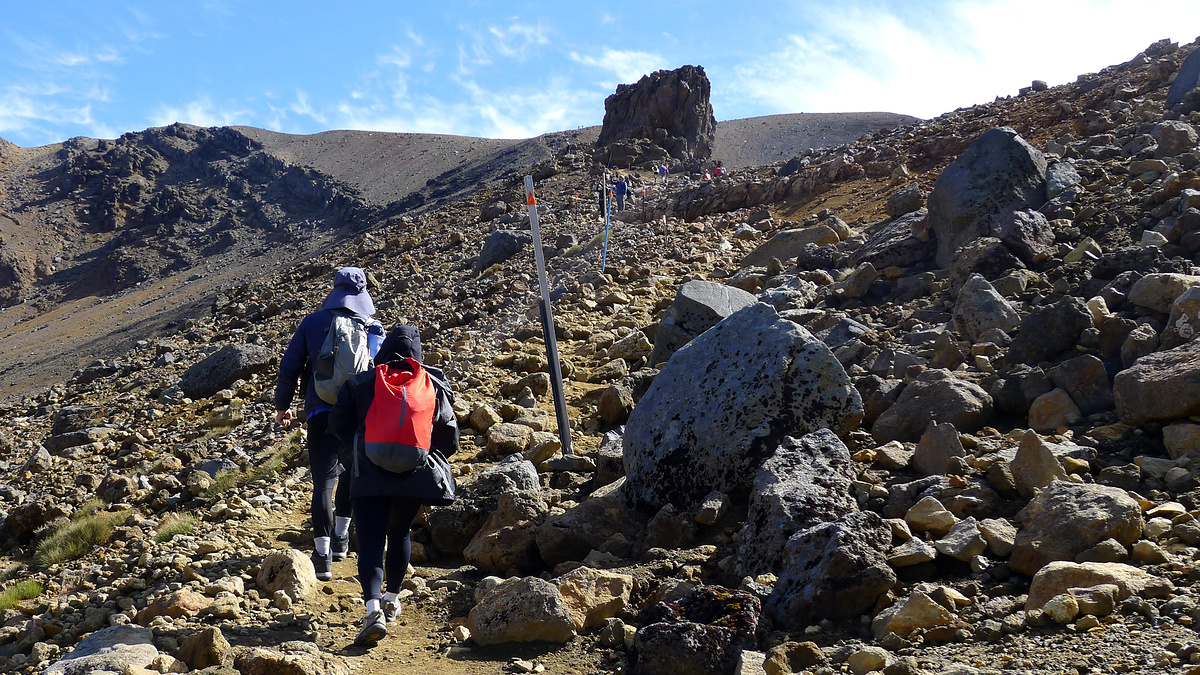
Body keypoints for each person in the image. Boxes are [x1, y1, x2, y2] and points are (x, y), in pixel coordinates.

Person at [328, 326, 459, 646]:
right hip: (413, 474)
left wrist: (355, 451)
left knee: (370, 541)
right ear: (418, 354)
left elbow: (336, 426)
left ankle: (372, 608)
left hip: (367, 476)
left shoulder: (362, 382)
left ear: (383, 350)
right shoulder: (433, 384)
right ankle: (392, 597)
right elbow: (450, 437)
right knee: (400, 533)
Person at [275, 267, 385, 581]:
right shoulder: (372, 326)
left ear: (334, 290)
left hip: (320, 413)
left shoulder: (312, 323)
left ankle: (321, 557)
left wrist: (283, 407)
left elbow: (290, 366)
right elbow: (380, 371)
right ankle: (341, 539)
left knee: (323, 481)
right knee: (351, 473)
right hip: (358, 414)